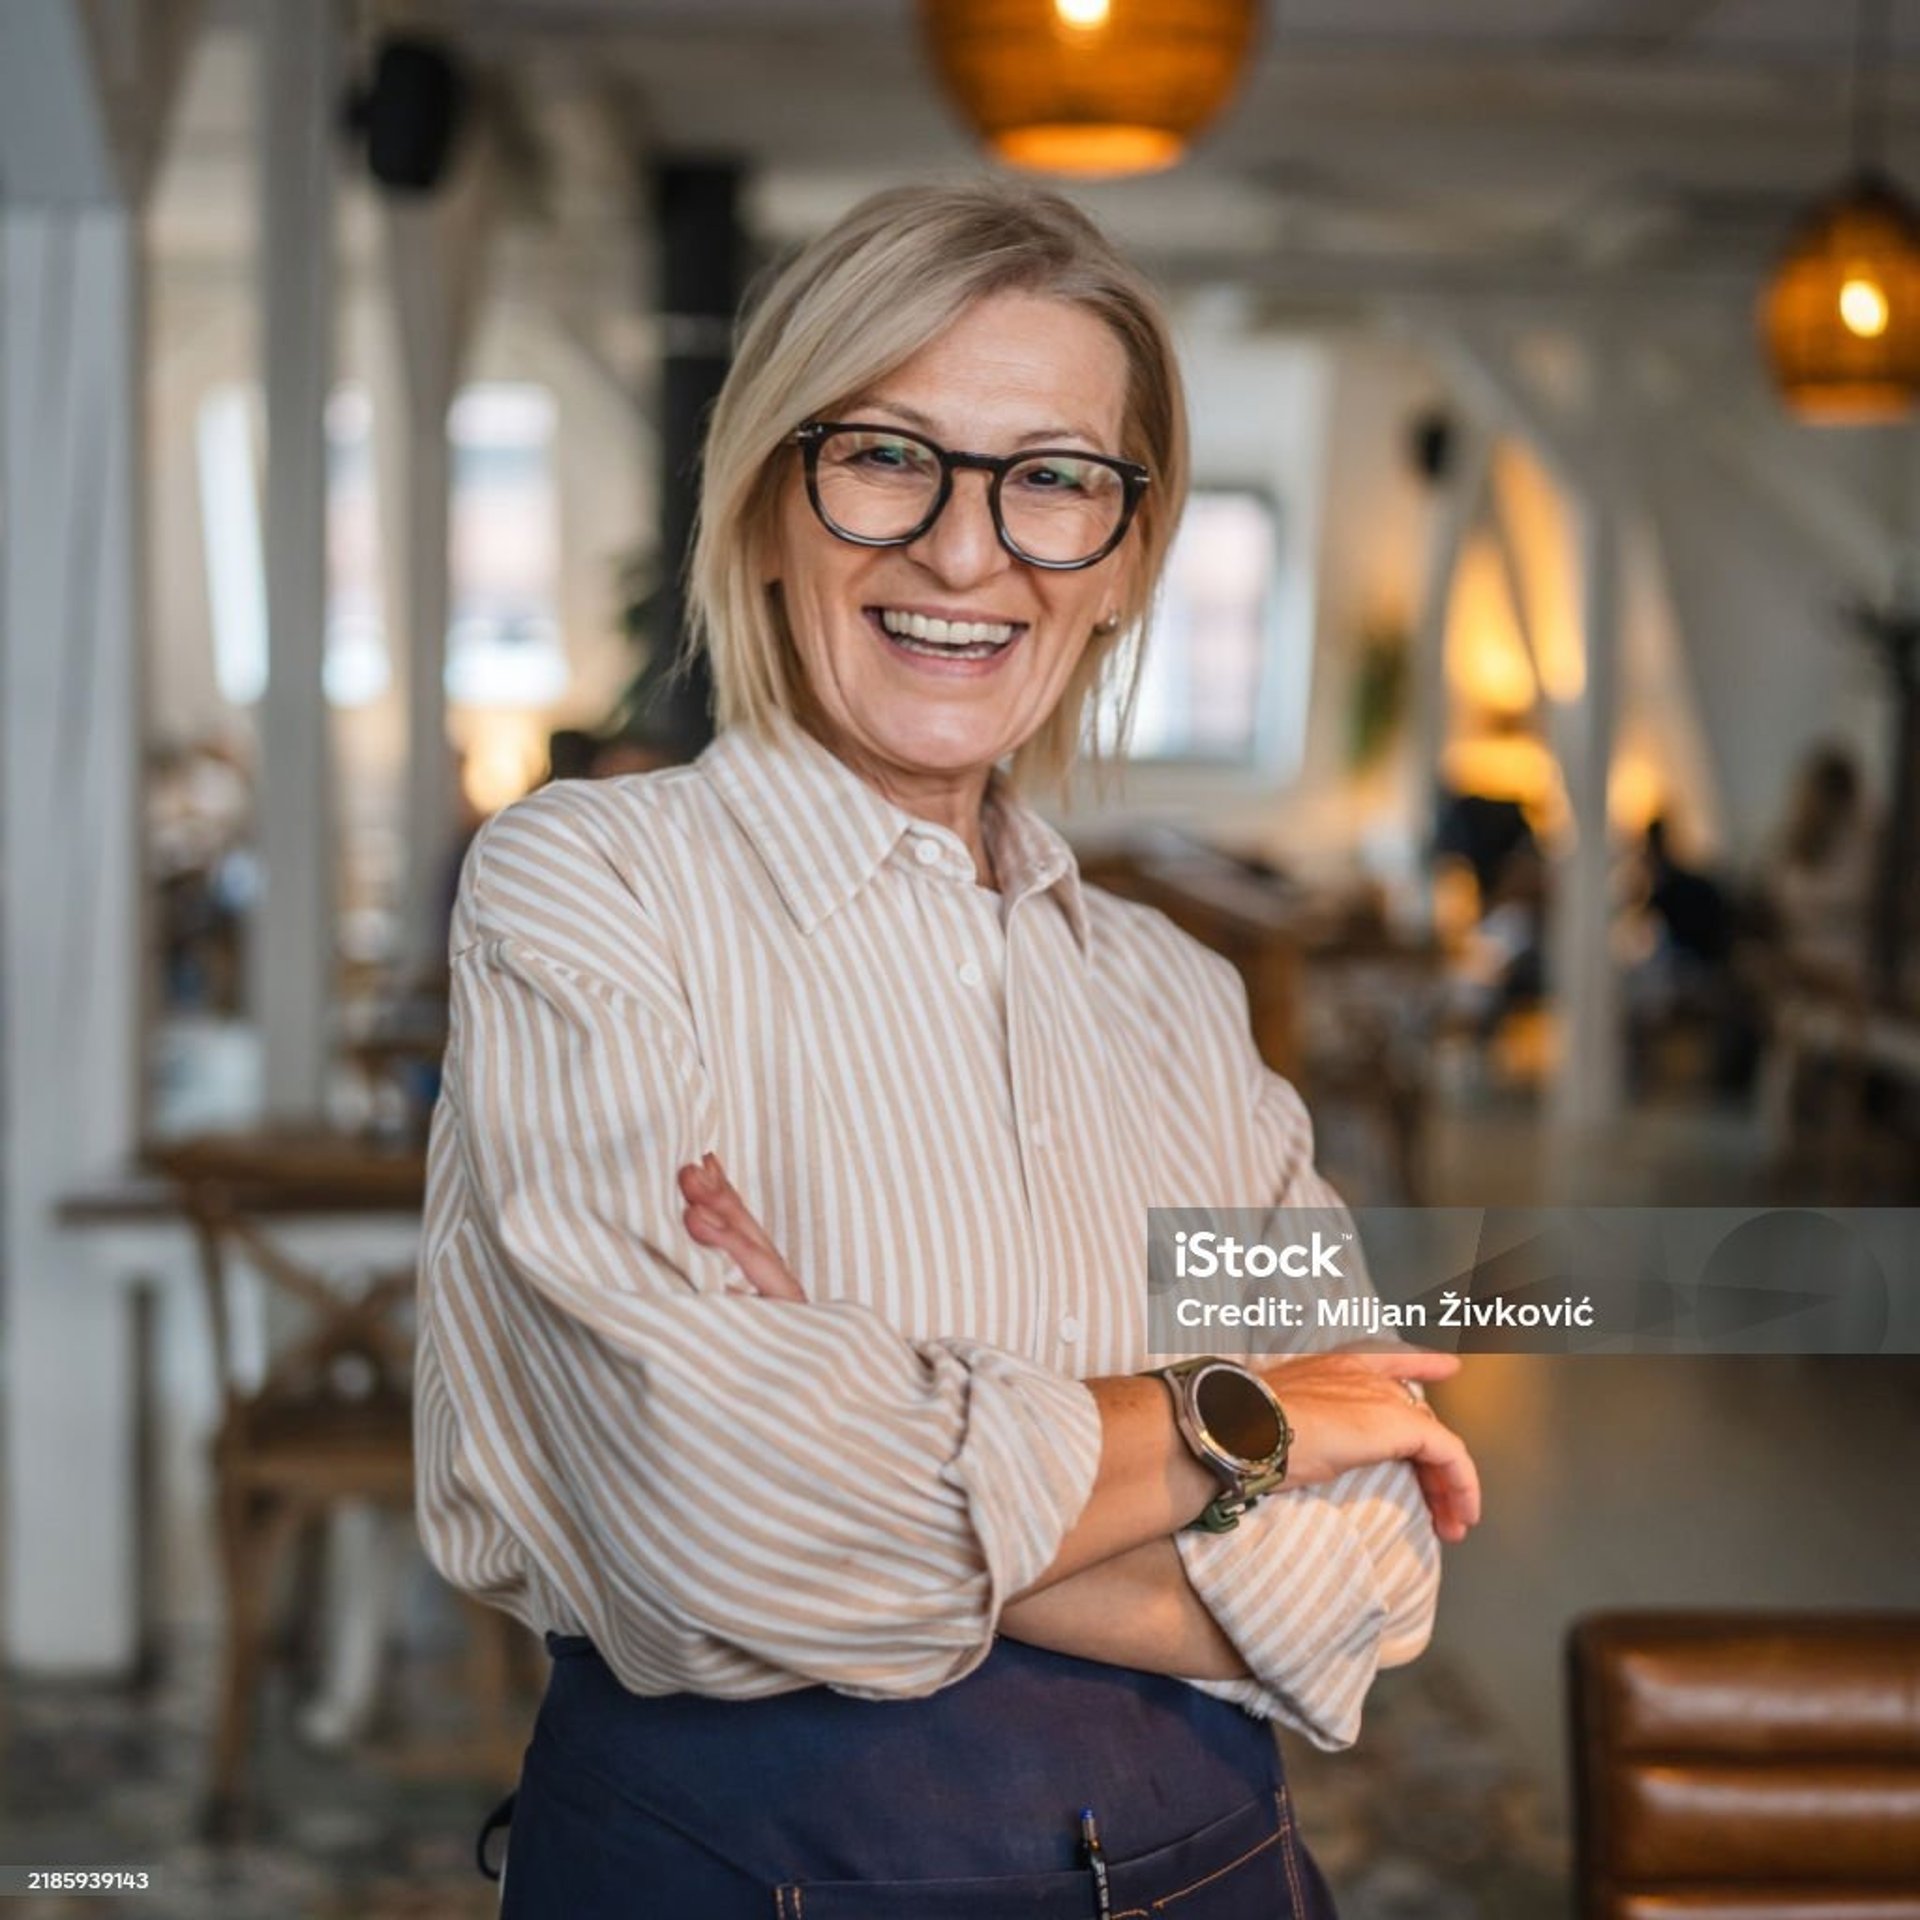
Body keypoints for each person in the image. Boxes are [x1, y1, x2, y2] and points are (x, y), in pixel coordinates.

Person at [416, 180, 1481, 1918]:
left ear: (1127, 561)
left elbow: (1373, 1575)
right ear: (769, 500)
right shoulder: (589, 887)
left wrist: (862, 1400)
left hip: (1216, 1868)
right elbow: (702, 1521)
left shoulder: (1178, 1000)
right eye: (888, 455)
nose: (967, 552)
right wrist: (1248, 1423)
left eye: (1055, 478)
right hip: (744, 1867)